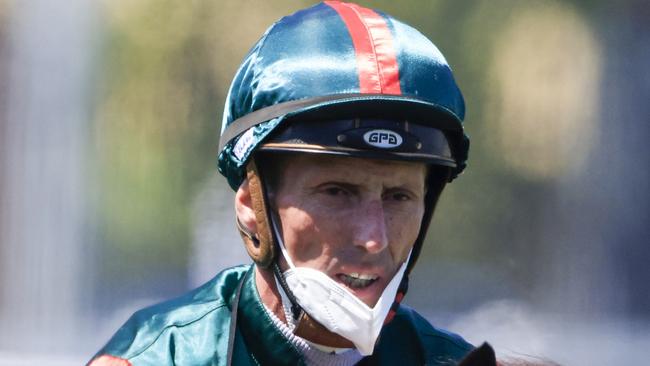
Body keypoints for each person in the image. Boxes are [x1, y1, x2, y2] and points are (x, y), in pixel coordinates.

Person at [88, 1, 474, 365]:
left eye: (398, 196)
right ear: (250, 207)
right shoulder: (158, 359)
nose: (373, 238)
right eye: (337, 192)